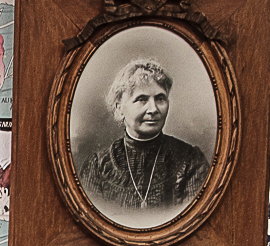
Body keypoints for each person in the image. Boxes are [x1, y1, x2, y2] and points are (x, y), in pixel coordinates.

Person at [79, 59, 208, 214]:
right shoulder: (98, 168)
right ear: (119, 109)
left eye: (160, 98)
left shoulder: (190, 161)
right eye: (142, 99)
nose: (153, 109)